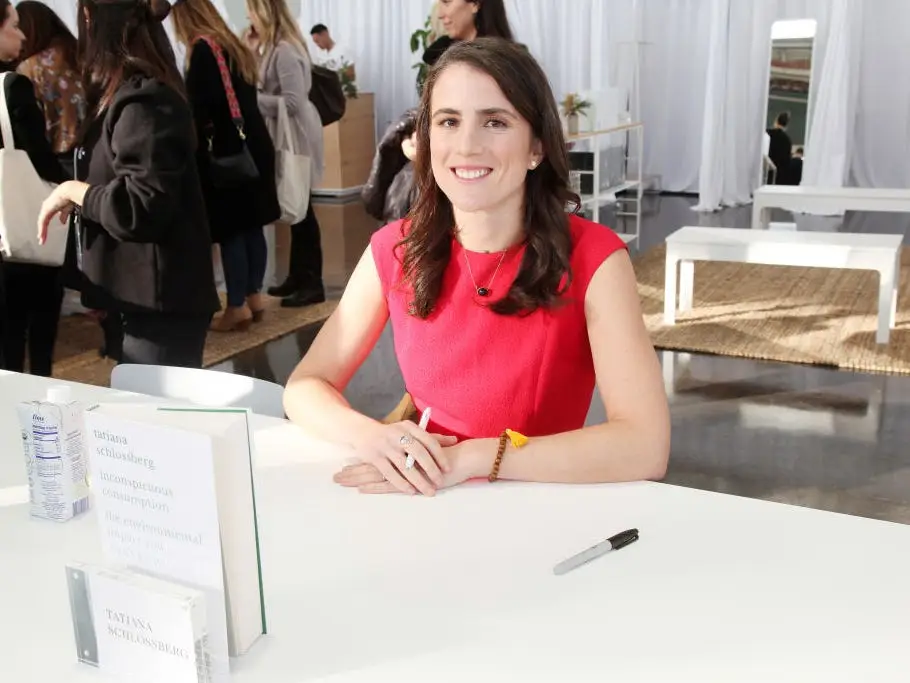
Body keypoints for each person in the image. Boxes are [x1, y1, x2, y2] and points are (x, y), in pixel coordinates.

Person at [284, 39, 670, 497]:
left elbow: (646, 445)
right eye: (449, 121)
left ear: (537, 147)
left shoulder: (594, 258)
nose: (467, 145)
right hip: (427, 496)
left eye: (495, 122)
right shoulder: (396, 248)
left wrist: (472, 457)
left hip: (539, 501)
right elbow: (305, 386)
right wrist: (373, 436)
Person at [36, 0, 220, 368]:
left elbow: (140, 206)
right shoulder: (131, 96)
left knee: (155, 420)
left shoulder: (144, 99)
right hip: (142, 300)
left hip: (161, 305)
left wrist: (73, 190)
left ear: (92, 20)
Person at [171, 0, 280, 332]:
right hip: (253, 145)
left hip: (227, 151)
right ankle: (253, 296)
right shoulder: (234, 46)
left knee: (232, 227)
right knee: (252, 225)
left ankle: (236, 306)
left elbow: (200, 107)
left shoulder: (204, 50)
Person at [361, 0, 515, 222]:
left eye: (446, 2)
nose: (441, 14)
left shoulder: (506, 65)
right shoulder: (443, 57)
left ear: (475, 4)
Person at [0, 0, 69, 376]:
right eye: (12, 25)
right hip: (22, 227)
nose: (23, 33)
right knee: (37, 329)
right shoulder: (12, 86)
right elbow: (40, 158)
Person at [245, 0, 326, 308]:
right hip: (288, 132)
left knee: (302, 207)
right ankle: (298, 276)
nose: (249, 17)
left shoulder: (285, 51)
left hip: (297, 134)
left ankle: (312, 282)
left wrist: (253, 99)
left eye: (251, 11)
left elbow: (291, 102)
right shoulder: (273, 48)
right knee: (297, 205)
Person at [766, 111, 792, 185]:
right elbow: (787, 162)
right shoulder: (787, 140)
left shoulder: (767, 134)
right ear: (786, 125)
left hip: (766, 173)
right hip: (779, 177)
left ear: (776, 120)